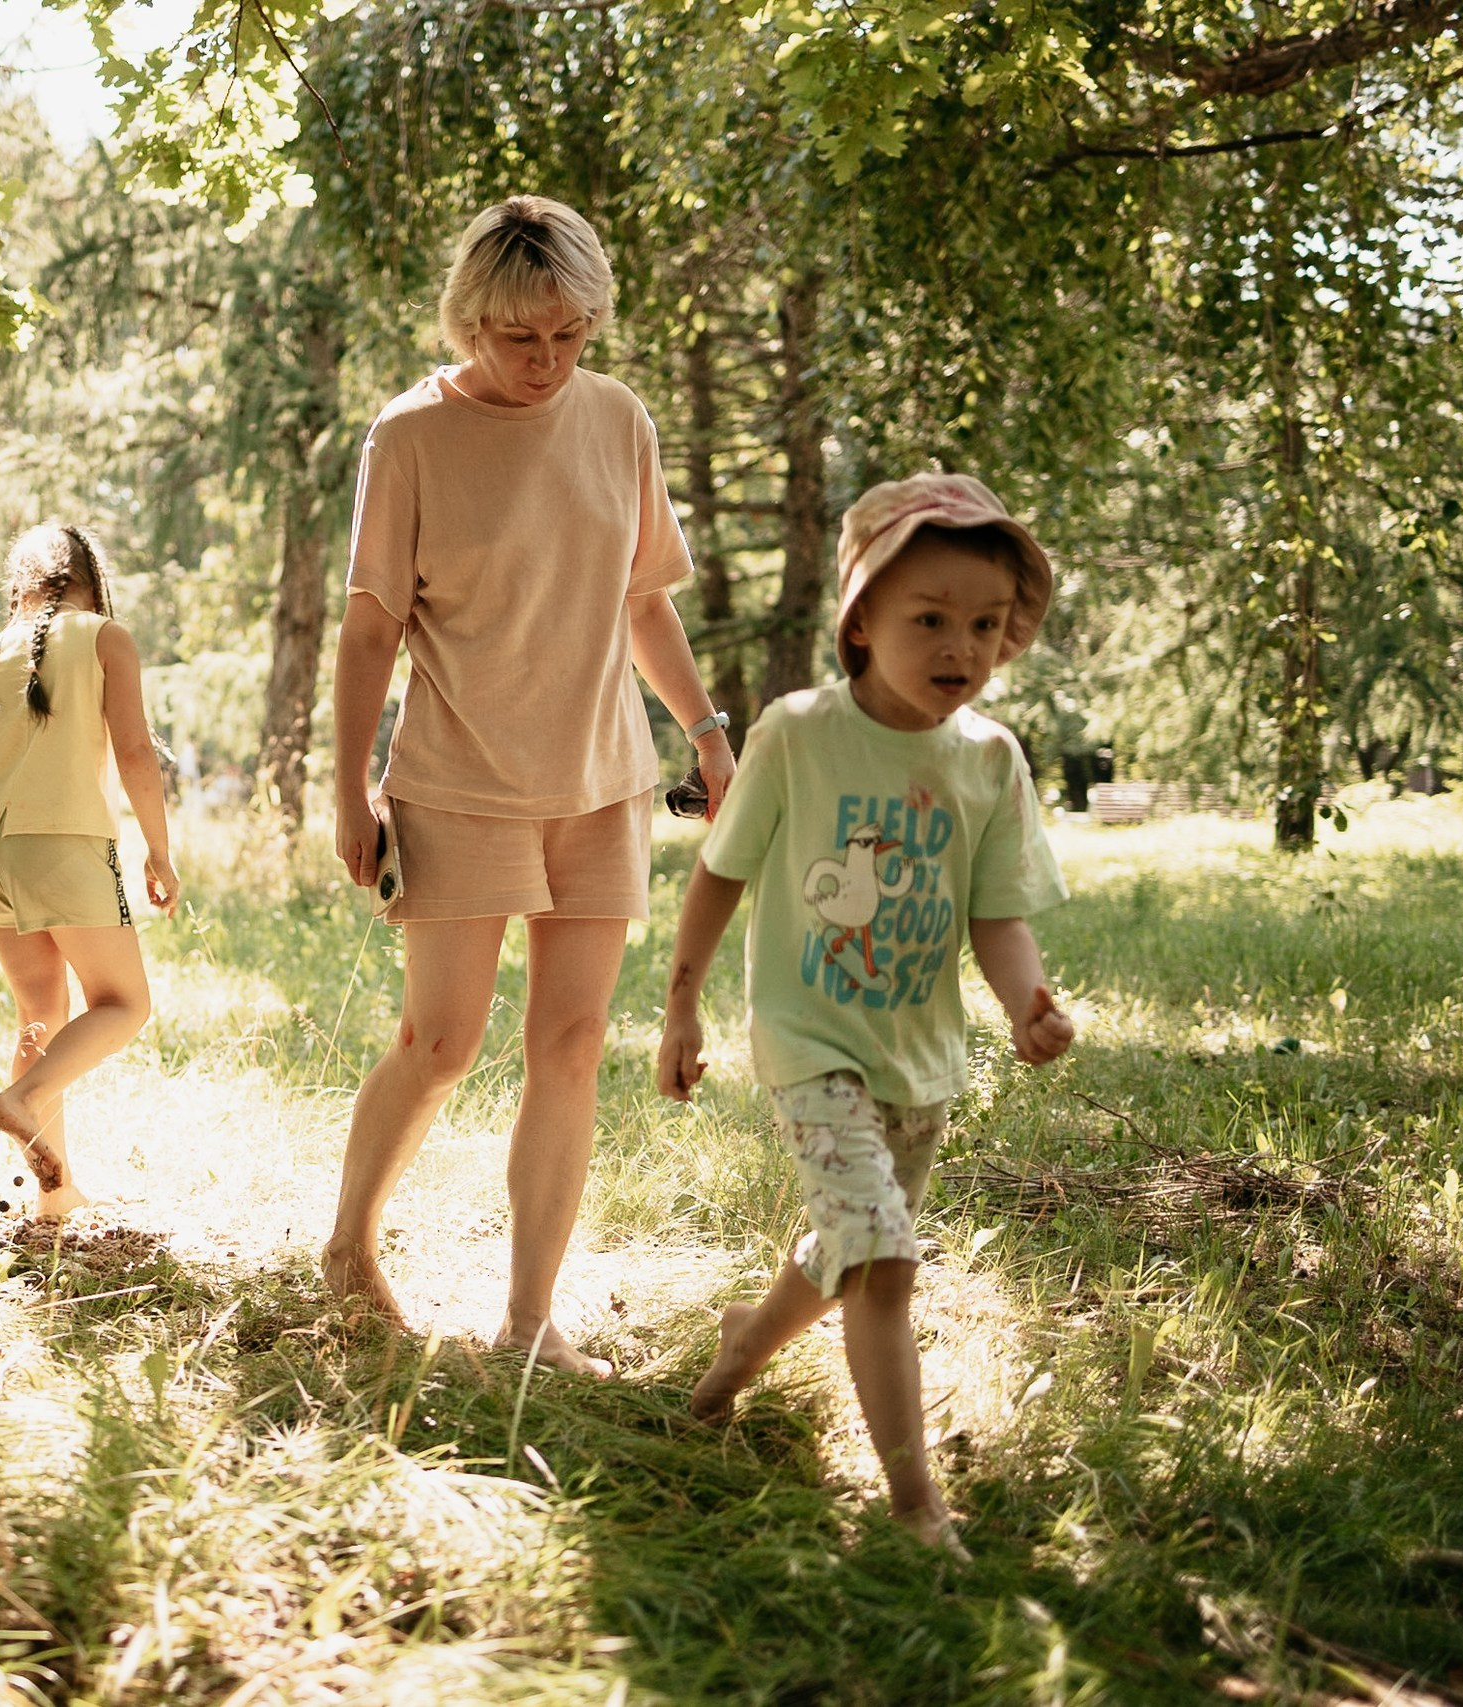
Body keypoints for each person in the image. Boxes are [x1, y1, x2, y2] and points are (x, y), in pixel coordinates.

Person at [326, 195, 736, 1376]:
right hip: (457, 782)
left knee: (568, 1043)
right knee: (442, 1041)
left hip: (600, 785)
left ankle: (526, 1319)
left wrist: (705, 732)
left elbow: (641, 598)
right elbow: (368, 632)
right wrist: (352, 792)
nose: (547, 361)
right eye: (521, 339)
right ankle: (349, 1251)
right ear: (470, 322)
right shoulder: (407, 437)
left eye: (569, 335)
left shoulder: (616, 419)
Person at [655, 471, 1077, 1554]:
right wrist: (682, 1008)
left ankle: (744, 1346)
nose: (961, 647)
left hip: (916, 1058)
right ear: (860, 620)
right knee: (883, 1259)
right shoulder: (798, 734)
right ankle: (911, 1508)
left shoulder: (989, 759)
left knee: (848, 1241)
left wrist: (1026, 1000)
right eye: (928, 618)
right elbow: (719, 873)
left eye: (984, 624)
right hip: (809, 1046)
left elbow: (996, 914)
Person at [0, 524, 180, 1219]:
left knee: (40, 1018)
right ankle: (22, 1099)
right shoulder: (108, 637)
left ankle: (56, 1193)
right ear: (92, 581)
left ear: (21, 588)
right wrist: (159, 851)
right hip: (68, 847)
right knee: (124, 1003)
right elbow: (135, 751)